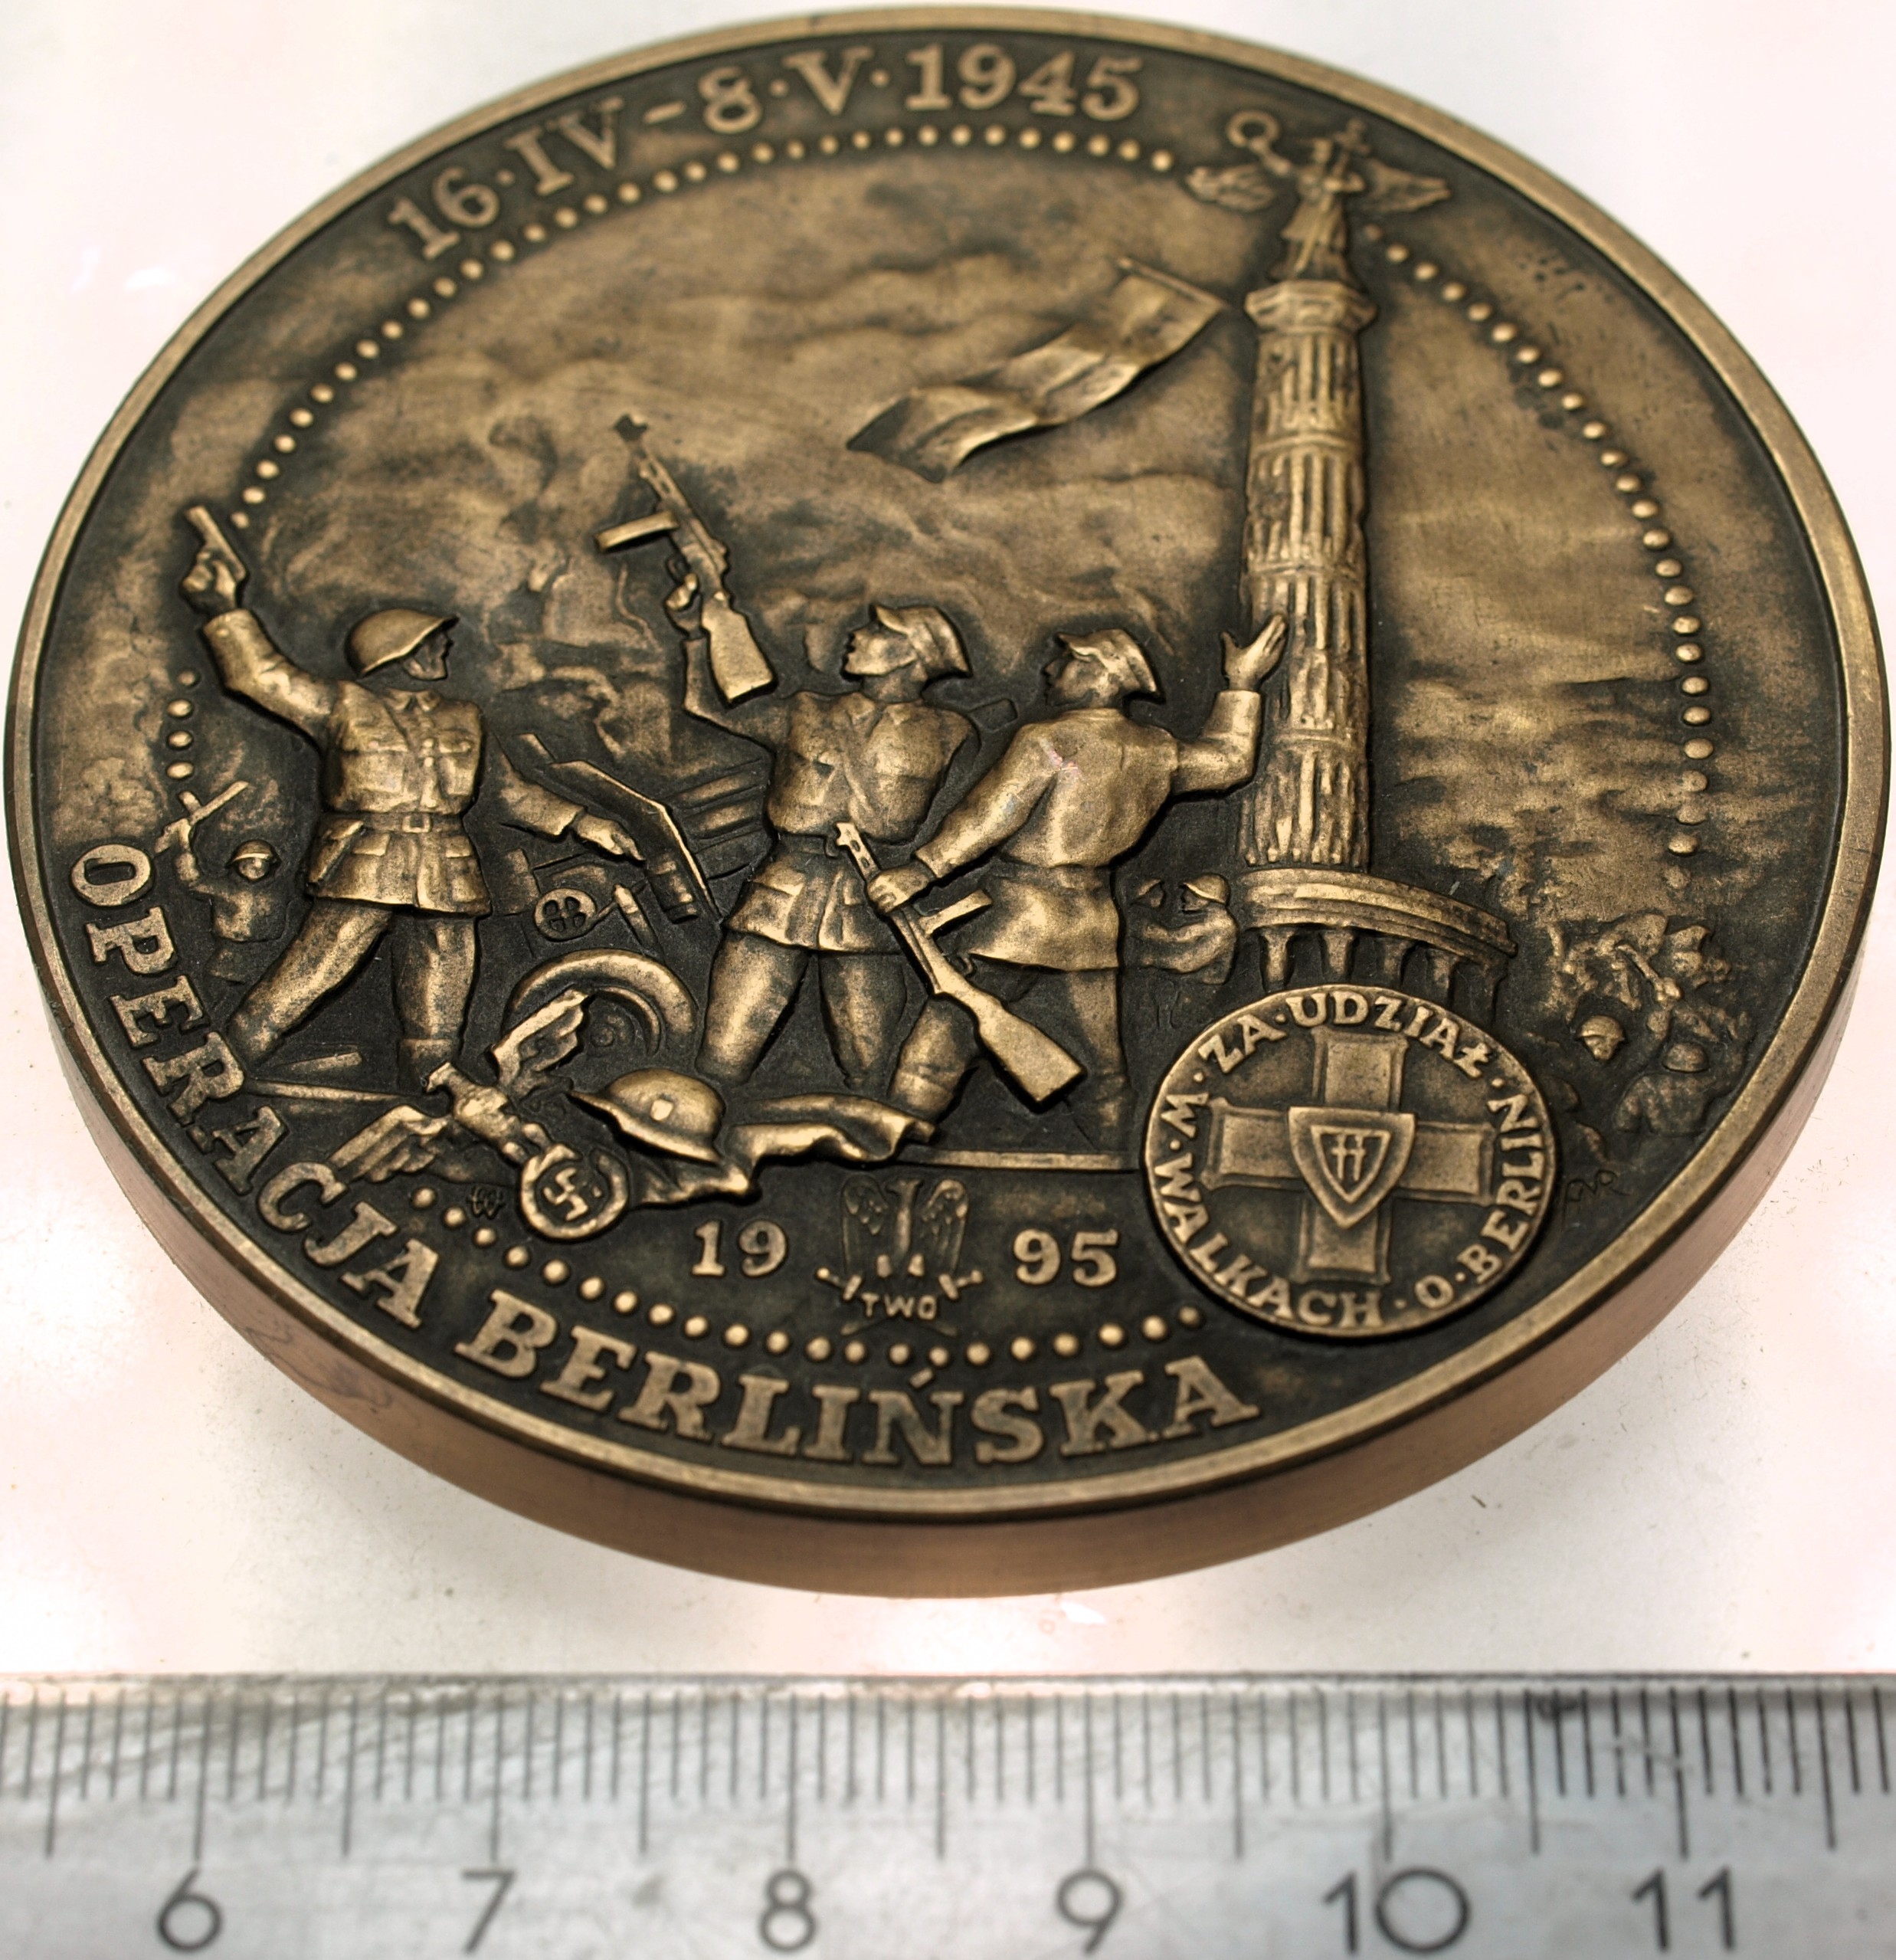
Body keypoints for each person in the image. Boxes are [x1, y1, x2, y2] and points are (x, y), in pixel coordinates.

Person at [181, 546, 638, 1088]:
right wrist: (223, 608)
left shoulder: (465, 716)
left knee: (443, 987)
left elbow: (509, 794)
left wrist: (584, 823)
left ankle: (431, 1087)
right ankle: (229, 1059)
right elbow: (263, 677)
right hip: (364, 859)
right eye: (432, 640)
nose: (444, 646)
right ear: (400, 652)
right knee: (318, 967)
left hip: (447, 865)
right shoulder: (343, 705)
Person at [868, 618, 1284, 1150]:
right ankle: (1119, 1157)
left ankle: (889, 1148)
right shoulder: (1155, 749)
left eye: (1068, 660)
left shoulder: (1047, 740)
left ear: (1101, 673)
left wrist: (919, 872)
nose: (1051, 669)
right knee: (1103, 1073)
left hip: (1016, 922)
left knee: (939, 1046)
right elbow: (1230, 761)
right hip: (1090, 929)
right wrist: (1242, 684)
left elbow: (990, 817)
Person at [670, 572, 974, 1090]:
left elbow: (968, 820)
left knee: (871, 1068)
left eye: (879, 631)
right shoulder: (806, 710)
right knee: (723, 1053)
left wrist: (922, 875)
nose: (857, 635)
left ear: (911, 653)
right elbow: (711, 707)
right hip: (780, 891)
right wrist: (698, 634)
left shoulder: (953, 733)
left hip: (870, 901)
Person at [172, 836, 288, 983]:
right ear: (238, 863)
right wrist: (183, 844)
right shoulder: (225, 888)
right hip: (227, 961)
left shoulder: (277, 893)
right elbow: (192, 881)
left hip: (267, 961)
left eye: (261, 861)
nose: (256, 866)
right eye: (250, 861)